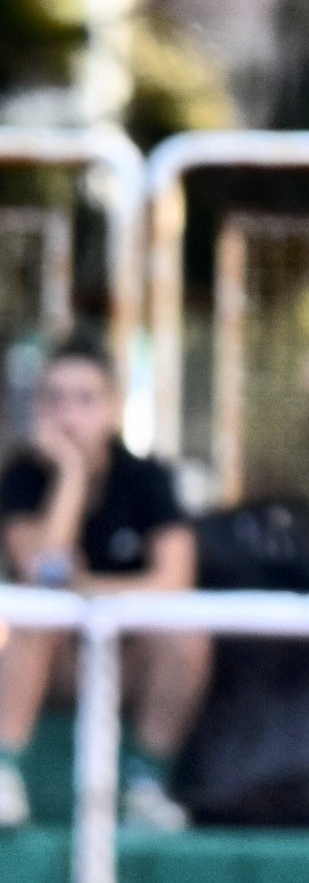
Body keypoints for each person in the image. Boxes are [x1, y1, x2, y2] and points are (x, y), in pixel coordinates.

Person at [0, 337, 206, 832]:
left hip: (125, 661)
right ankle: (5, 770)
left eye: (85, 398)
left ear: (113, 408)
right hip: (50, 667)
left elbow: (175, 580)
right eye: (54, 398)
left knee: (186, 637)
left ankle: (145, 787)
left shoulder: (146, 476)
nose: (69, 414)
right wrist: (69, 476)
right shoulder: (23, 477)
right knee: (33, 618)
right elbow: (44, 577)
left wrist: (86, 586)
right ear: (37, 408)